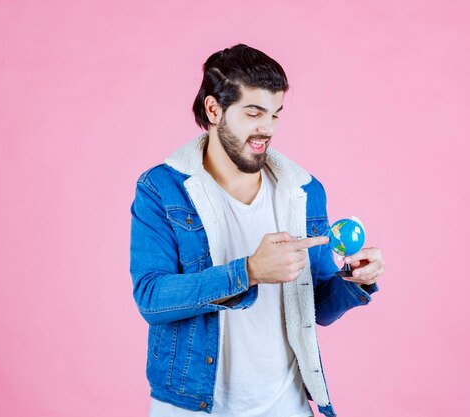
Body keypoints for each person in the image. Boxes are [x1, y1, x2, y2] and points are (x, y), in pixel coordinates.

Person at [129, 43, 385, 417]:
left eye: (276, 114)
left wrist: (353, 279)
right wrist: (248, 272)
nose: (266, 128)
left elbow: (319, 309)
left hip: (287, 404)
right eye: (254, 113)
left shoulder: (302, 191)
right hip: (191, 404)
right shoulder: (163, 189)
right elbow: (151, 298)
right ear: (214, 109)